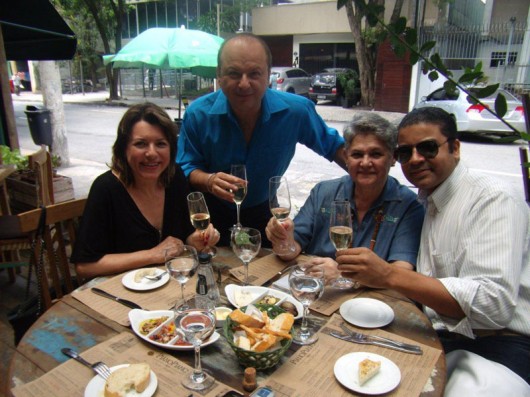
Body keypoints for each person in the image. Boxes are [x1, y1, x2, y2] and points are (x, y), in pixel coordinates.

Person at [336, 107, 530, 383]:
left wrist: (389, 275)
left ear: (455, 148)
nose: (415, 159)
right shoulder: (426, 200)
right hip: (440, 334)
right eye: (405, 152)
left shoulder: (492, 198)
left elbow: (493, 305)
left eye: (427, 148)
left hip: (501, 345)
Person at [176, 33, 346, 247]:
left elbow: (336, 149)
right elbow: (185, 166)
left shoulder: (295, 111)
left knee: (266, 272)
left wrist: (377, 180)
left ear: (268, 76)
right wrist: (209, 181)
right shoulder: (197, 114)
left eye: (254, 74)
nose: (244, 84)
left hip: (264, 212)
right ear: (219, 76)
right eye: (233, 73)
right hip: (210, 216)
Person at [266, 112, 424, 282]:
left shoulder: (408, 205)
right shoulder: (324, 192)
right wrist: (284, 241)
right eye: (357, 155)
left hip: (371, 301)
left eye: (376, 154)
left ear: (393, 158)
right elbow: (292, 249)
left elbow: (401, 273)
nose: (365, 163)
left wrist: (342, 276)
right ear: (346, 156)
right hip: (314, 290)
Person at [72, 103, 220, 279]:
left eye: (160, 144)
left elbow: (181, 238)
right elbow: (84, 266)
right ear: (123, 148)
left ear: (171, 149)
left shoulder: (175, 178)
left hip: (167, 286)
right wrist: (152, 255)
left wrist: (194, 241)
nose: (151, 153)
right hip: (118, 292)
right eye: (141, 144)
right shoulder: (105, 189)